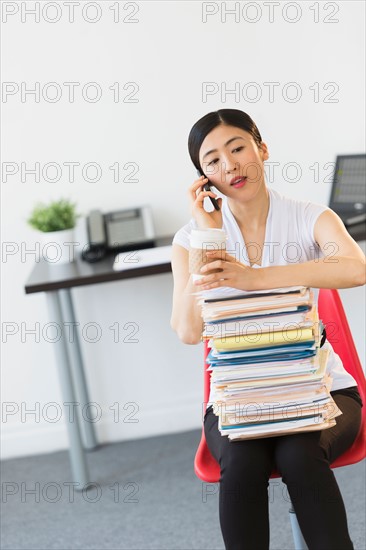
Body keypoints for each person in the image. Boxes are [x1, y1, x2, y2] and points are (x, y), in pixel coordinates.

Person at [170, 109, 365, 550]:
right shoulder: (192, 240)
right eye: (213, 161)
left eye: (238, 148)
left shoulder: (308, 215)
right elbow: (187, 330)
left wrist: (252, 277)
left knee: (299, 455)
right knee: (241, 463)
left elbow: (355, 269)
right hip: (239, 398)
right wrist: (209, 236)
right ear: (203, 179)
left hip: (323, 389)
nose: (230, 166)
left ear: (262, 147)